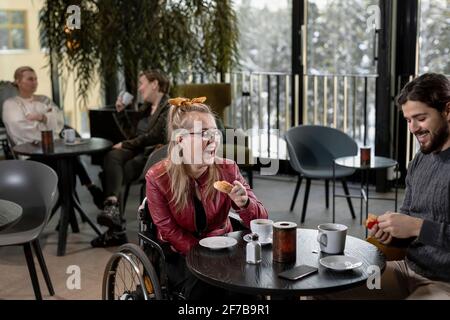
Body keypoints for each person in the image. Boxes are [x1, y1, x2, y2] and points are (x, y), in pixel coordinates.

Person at [320, 73, 450, 300]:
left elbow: (416, 225)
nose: (413, 128)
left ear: (447, 110)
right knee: (325, 289)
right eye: (408, 120)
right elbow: (409, 218)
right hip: (406, 269)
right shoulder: (421, 159)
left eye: (420, 118)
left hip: (443, 283)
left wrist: (418, 227)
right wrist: (392, 233)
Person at [145, 97, 268, 300]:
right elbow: (169, 230)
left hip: (224, 246)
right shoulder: (157, 178)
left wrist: (244, 203)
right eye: (204, 134)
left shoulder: (228, 169)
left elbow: (261, 220)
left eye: (214, 132)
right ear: (181, 139)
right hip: (179, 254)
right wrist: (202, 255)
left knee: (247, 287)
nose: (213, 140)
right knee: (205, 288)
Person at [2, 66, 103, 208]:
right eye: (30, 79)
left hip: (53, 150)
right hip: (30, 155)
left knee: (66, 159)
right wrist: (46, 122)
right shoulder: (11, 104)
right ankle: (87, 189)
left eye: (36, 79)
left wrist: (41, 117)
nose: (34, 82)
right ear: (18, 81)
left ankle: (68, 207)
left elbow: (59, 120)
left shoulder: (44, 99)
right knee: (68, 159)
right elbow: (21, 130)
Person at [91, 70, 171, 247]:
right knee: (111, 156)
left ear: (155, 84)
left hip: (151, 155)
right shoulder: (145, 108)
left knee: (110, 175)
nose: (140, 88)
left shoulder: (168, 107)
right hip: (137, 151)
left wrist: (125, 145)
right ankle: (112, 205)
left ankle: (115, 228)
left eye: (142, 83)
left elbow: (154, 136)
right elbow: (132, 135)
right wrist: (121, 113)